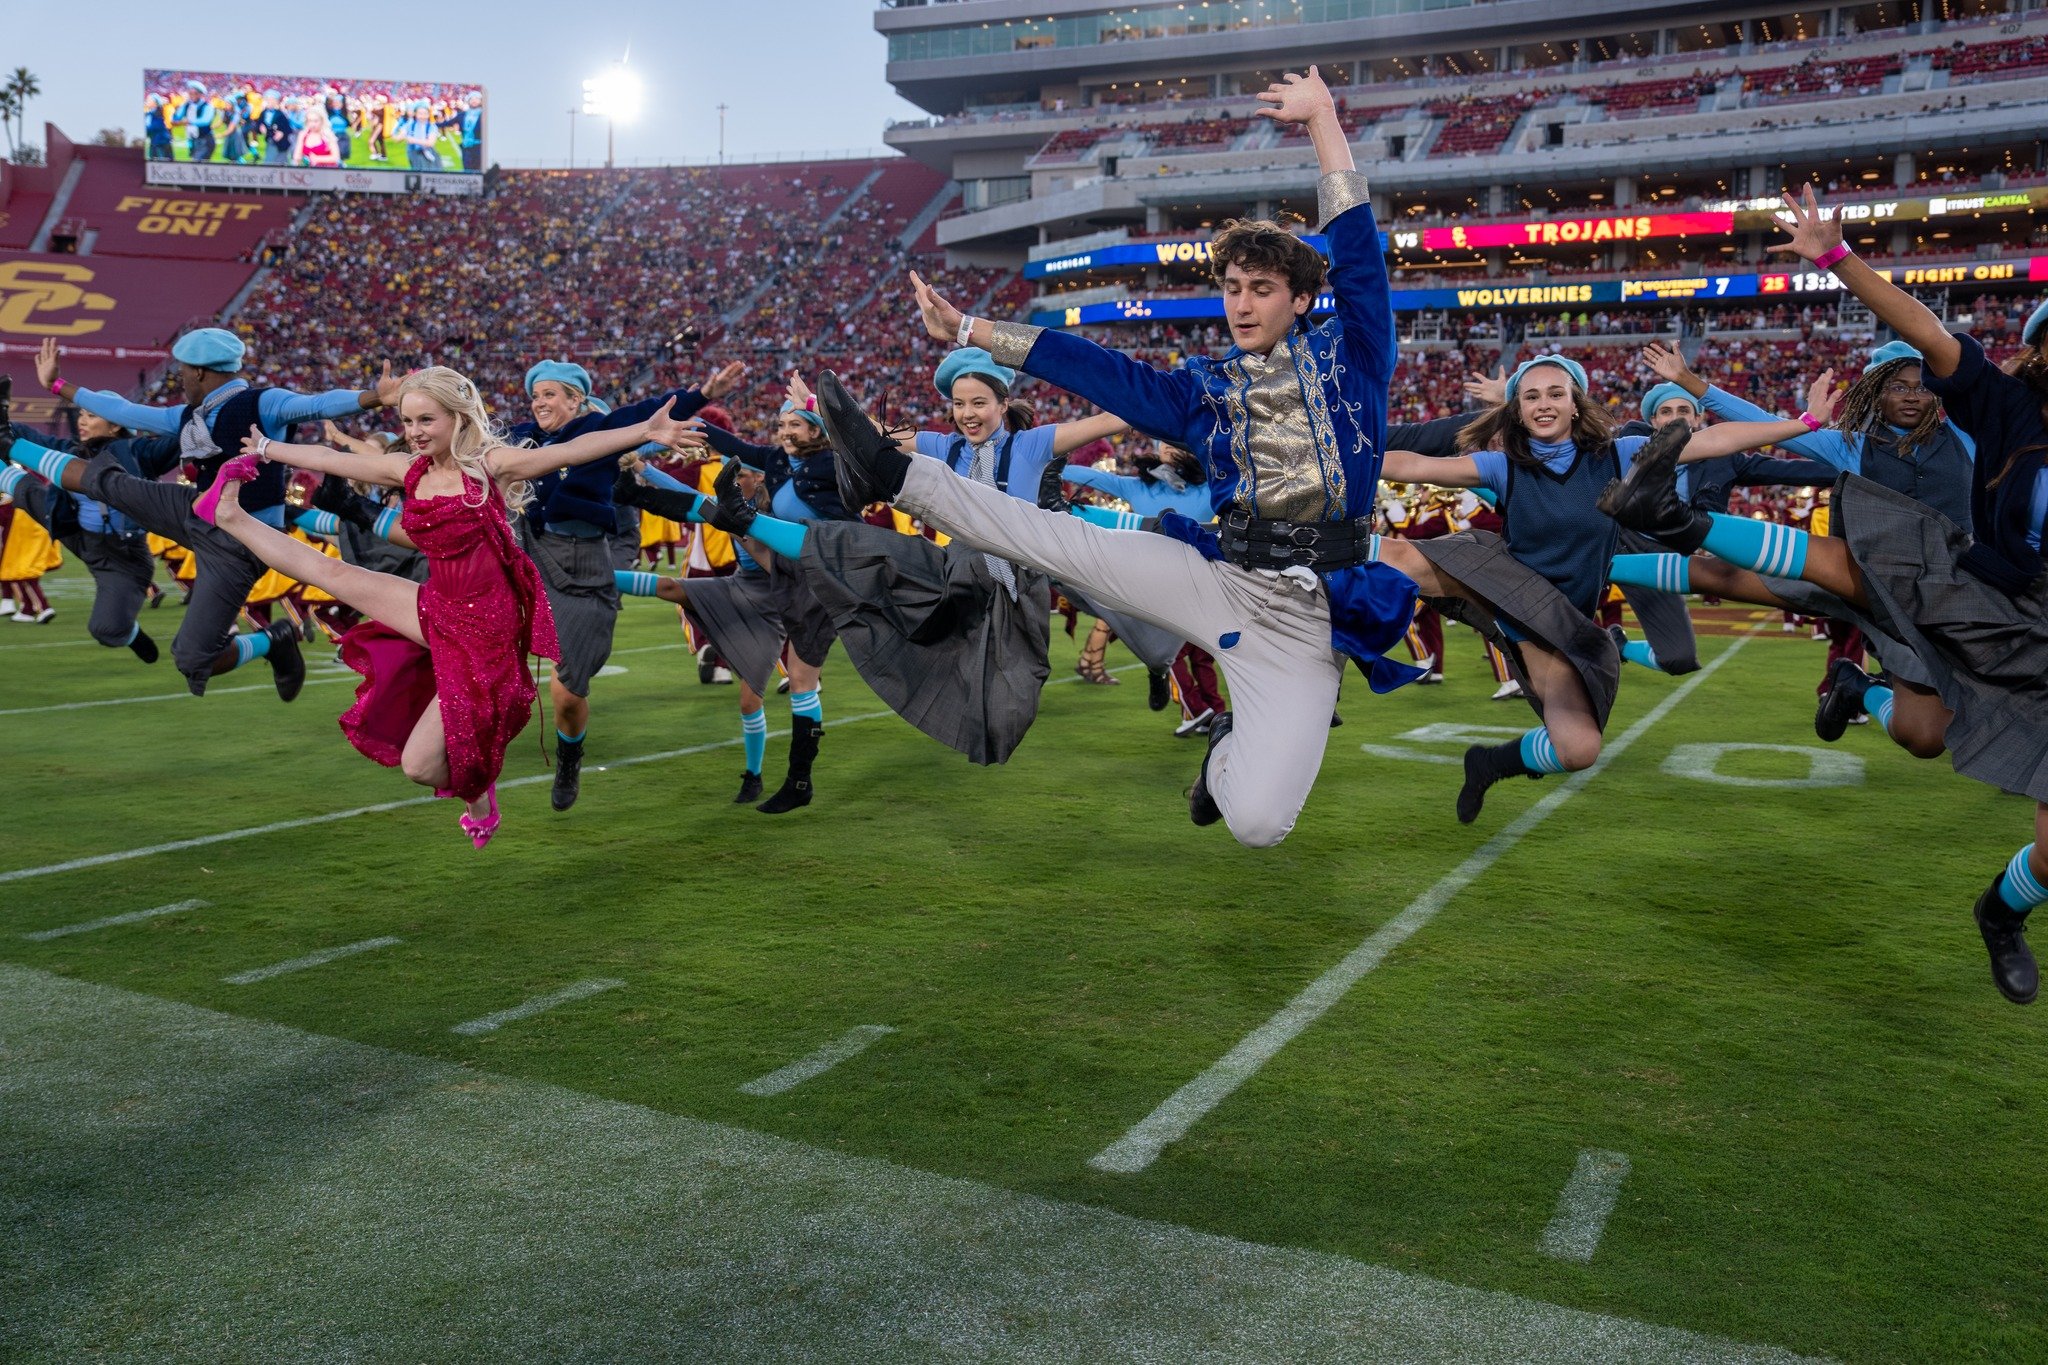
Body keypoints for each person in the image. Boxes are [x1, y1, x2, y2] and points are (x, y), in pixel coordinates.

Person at [816, 66, 1417, 847]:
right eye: (1232, 286)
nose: (1241, 302)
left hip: (1306, 617)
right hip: (1221, 578)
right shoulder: (1205, 391)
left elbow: (1358, 245)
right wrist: (971, 330)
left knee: (1260, 824)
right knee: (1049, 537)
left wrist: (1322, 120)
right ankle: (891, 469)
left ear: (1301, 299)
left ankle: (1219, 759)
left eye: (1261, 287)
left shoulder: (1359, 354)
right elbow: (1096, 368)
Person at [1602, 186, 2048, 1006]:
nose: (1914, 392)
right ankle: (1659, 529)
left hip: (1978, 605)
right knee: (1799, 572)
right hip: (1940, 581)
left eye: (1920, 384)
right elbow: (1910, 349)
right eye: (1900, 383)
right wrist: (1834, 263)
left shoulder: (1964, 435)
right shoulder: (1986, 413)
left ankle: (1993, 897)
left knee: (1925, 739)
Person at [200, 367, 689, 846]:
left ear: (458, 418)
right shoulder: (408, 470)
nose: (413, 433)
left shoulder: (490, 465)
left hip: (485, 630)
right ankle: (232, 516)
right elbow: (331, 459)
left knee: (421, 767)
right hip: (436, 604)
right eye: (408, 422)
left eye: (425, 421)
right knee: (335, 575)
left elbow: (574, 450)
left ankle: (479, 795)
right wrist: (266, 448)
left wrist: (645, 430)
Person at [10, 331, 399, 700]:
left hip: (242, 540)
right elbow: (123, 410)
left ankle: (273, 640)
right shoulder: (190, 415)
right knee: (106, 483)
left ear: (198, 371)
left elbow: (317, 403)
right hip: (197, 510)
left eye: (181, 371)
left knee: (193, 658)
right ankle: (7, 442)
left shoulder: (263, 403)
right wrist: (59, 387)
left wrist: (372, 397)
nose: (179, 379)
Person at [508, 357, 746, 811]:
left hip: (583, 566)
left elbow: (645, 415)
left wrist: (705, 395)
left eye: (550, 394)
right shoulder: (522, 437)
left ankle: (569, 756)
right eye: (535, 395)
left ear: (576, 400)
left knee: (569, 690)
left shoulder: (599, 432)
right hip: (530, 553)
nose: (539, 402)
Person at [0, 379, 160, 660]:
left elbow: (176, 439)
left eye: (92, 415)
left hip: (123, 557)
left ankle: (129, 633)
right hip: (79, 535)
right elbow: (24, 436)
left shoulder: (139, 454)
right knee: (26, 489)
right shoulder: (73, 450)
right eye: (82, 414)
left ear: (116, 425)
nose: (82, 421)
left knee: (105, 629)